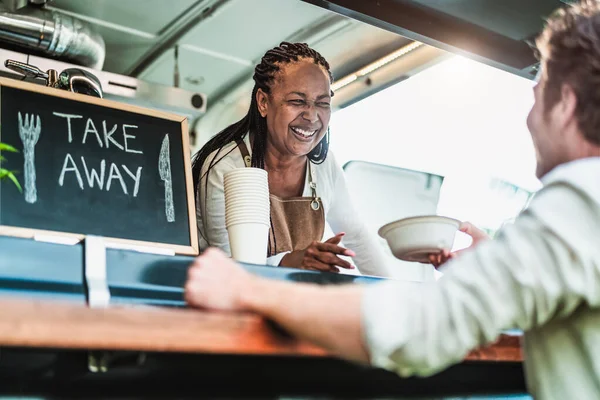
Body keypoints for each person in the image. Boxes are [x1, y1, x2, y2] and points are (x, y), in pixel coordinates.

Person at [185, 1, 600, 398]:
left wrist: (253, 290)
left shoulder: (581, 199)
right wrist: (499, 269)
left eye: (537, 95)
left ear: (565, 105)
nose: (528, 119)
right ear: (264, 103)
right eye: (297, 102)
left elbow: (422, 328)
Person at [191, 42, 390, 276]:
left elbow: (356, 237)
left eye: (322, 103)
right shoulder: (224, 167)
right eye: (297, 101)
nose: (312, 115)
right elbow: (231, 270)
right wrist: (290, 261)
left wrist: (396, 295)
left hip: (292, 306)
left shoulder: (323, 165)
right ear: (263, 102)